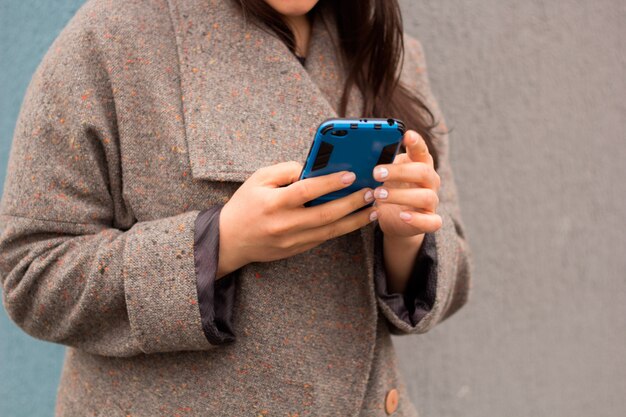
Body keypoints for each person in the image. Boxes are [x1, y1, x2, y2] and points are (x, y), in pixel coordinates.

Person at [0, 0, 472, 415]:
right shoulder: (112, 37)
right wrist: (220, 243)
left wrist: (407, 238)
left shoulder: (384, 49)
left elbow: (455, 273)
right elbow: (31, 272)